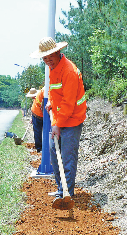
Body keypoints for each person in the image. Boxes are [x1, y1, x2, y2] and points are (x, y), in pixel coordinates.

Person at [30, 37, 87, 199]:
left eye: (50, 57)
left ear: (58, 52)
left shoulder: (69, 71)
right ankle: (61, 189)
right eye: (44, 58)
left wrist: (56, 124)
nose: (48, 61)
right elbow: (55, 92)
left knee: (67, 157)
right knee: (54, 153)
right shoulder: (53, 69)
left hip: (73, 119)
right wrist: (51, 104)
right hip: (59, 118)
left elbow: (69, 104)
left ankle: (66, 193)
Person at [26, 87, 44, 153]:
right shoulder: (37, 98)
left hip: (40, 116)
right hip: (36, 115)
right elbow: (34, 108)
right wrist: (32, 117)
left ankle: (41, 148)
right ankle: (39, 148)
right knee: (37, 132)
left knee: (38, 132)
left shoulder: (40, 97)